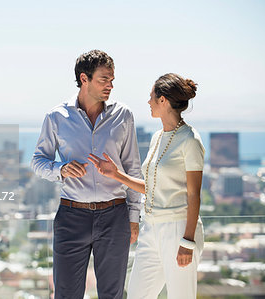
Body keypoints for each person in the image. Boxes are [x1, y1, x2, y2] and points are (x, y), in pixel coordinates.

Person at [31, 49, 142, 299]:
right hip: (72, 217)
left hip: (115, 216)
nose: (110, 86)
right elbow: (38, 161)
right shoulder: (57, 117)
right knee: (66, 295)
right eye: (104, 79)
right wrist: (60, 169)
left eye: (112, 80)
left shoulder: (123, 116)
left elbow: (133, 168)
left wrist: (133, 218)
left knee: (112, 295)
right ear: (84, 79)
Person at [88, 73, 205, 299]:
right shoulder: (157, 138)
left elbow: (194, 195)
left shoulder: (190, 140)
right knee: (137, 295)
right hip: (151, 228)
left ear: (163, 100)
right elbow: (154, 187)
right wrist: (116, 174)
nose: (148, 102)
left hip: (178, 229)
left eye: (151, 97)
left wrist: (187, 242)